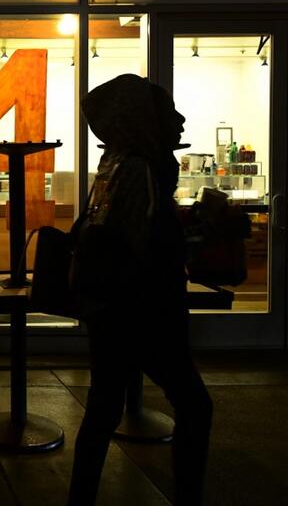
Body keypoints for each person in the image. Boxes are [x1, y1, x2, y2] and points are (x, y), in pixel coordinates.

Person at [67, 74, 213, 506]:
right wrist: (195, 241)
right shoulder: (143, 169)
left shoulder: (115, 164)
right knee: (195, 407)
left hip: (111, 313)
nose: (180, 119)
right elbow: (141, 247)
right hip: (143, 315)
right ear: (142, 118)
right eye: (167, 111)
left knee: (101, 413)